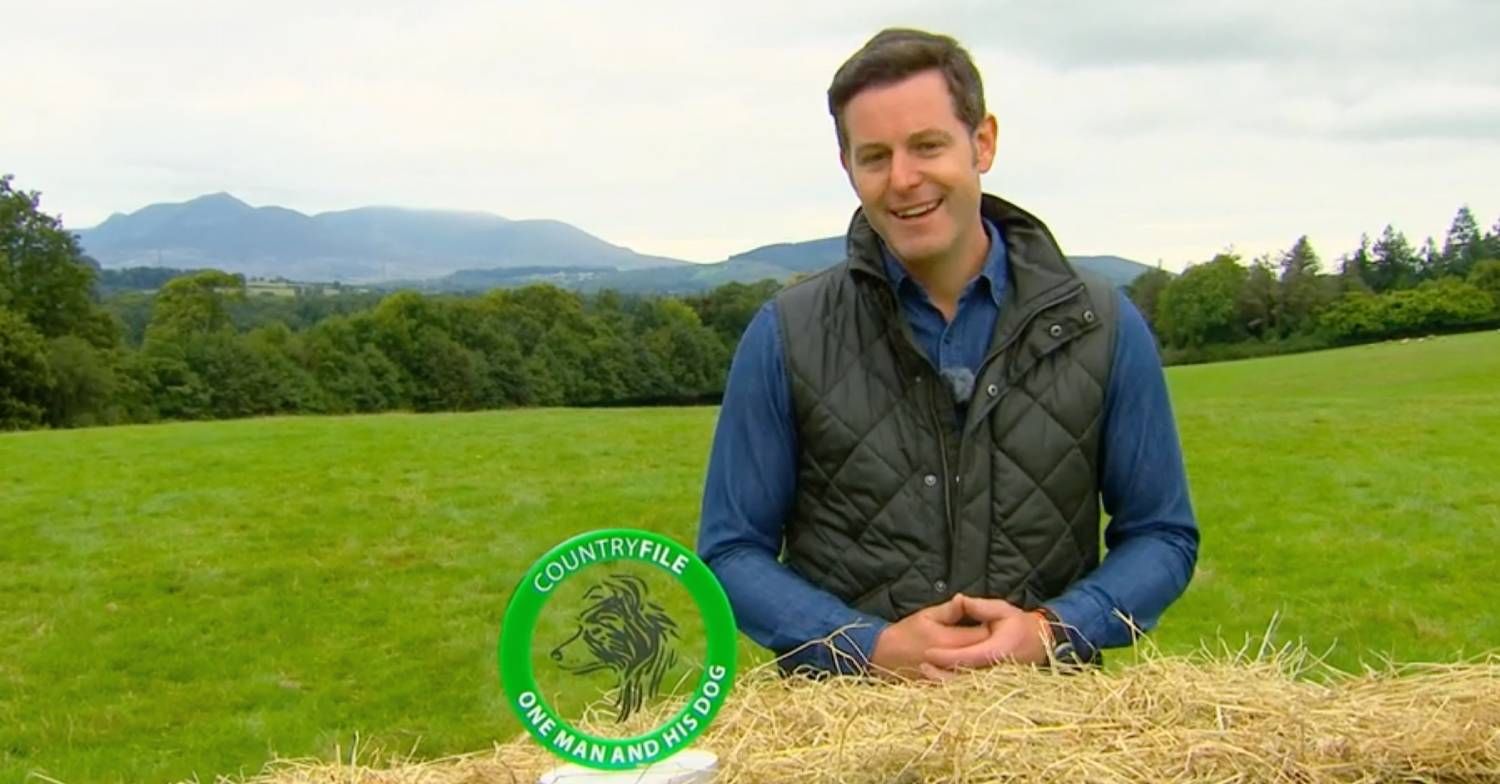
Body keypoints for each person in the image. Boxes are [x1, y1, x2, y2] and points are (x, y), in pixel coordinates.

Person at [696, 28, 1199, 679]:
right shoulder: (784, 333)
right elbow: (731, 551)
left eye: (928, 146)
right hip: (850, 733)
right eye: (874, 156)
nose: (904, 179)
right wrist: (864, 646)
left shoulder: (1100, 324)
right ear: (847, 166)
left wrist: (1054, 629)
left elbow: (1163, 534)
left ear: (982, 142)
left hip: (1048, 729)